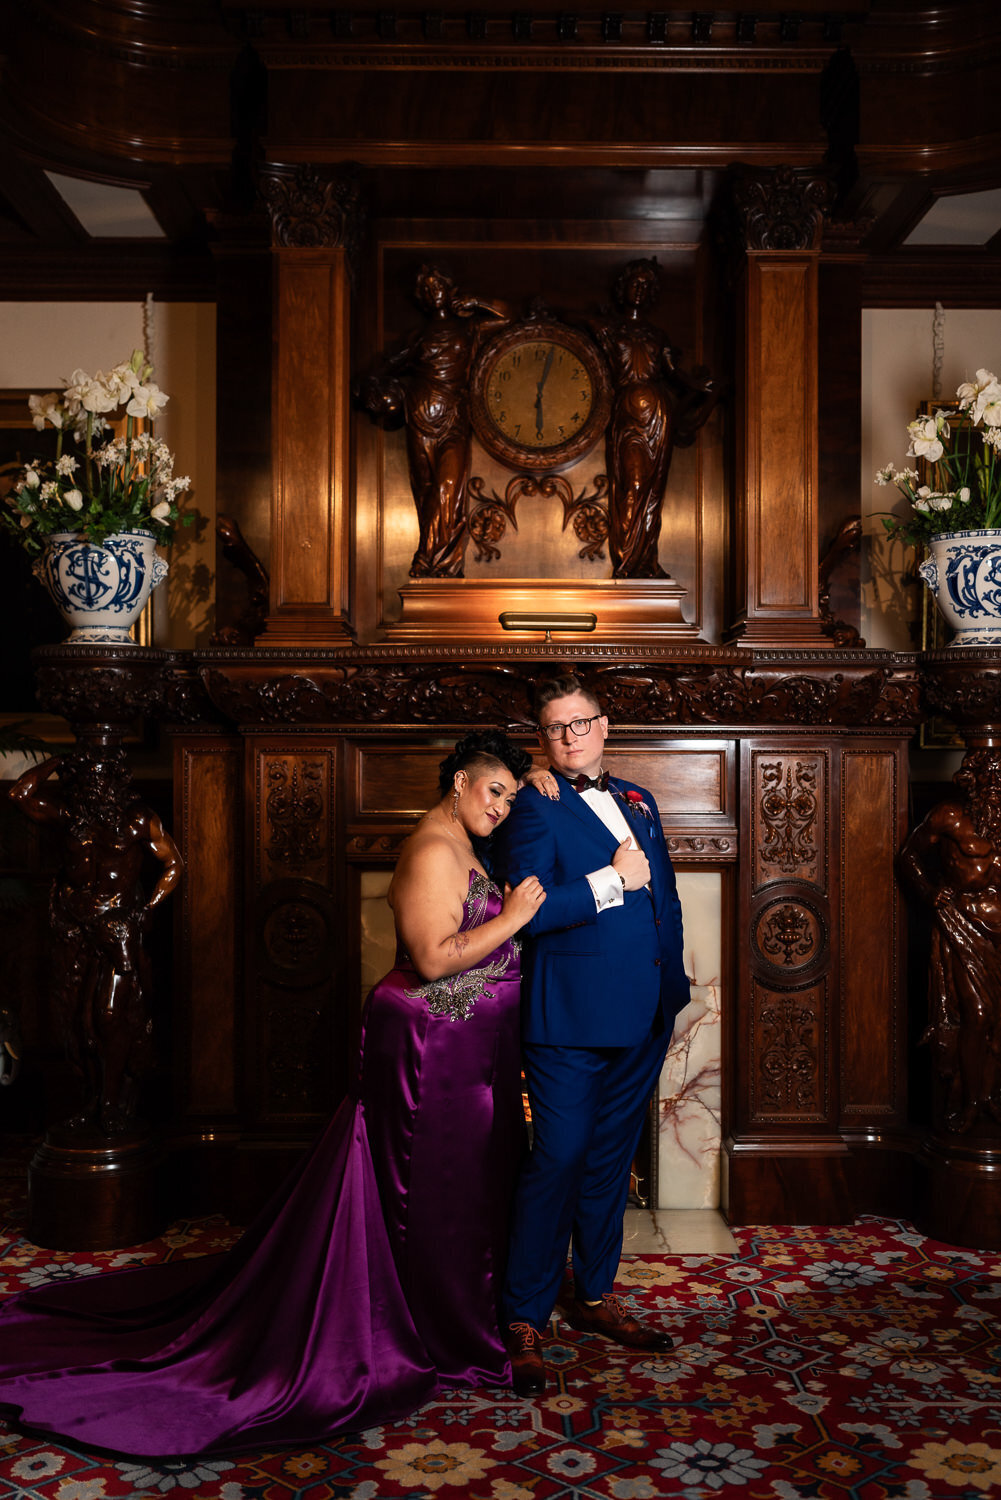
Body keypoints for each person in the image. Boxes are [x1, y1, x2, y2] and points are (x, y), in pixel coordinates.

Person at [0, 731, 545, 1457]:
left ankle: (437, 1319)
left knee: (456, 1191)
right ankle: (412, 1330)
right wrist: (512, 919)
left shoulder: (461, 838)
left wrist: (539, 782)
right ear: (456, 782)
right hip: (427, 1050)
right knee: (424, 1190)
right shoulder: (431, 850)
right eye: (492, 789)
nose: (501, 806)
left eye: (510, 794)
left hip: (461, 1056)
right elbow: (432, 958)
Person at [497, 674, 691, 1394]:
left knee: (610, 1160)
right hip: (569, 1019)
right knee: (558, 1157)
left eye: (581, 723)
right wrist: (610, 881)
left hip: (644, 1011)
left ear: (604, 726)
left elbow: (663, 896)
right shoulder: (533, 806)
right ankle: (522, 1313)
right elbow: (527, 912)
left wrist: (671, 988)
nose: (571, 737)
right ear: (541, 740)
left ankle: (594, 1296)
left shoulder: (640, 799)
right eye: (555, 728)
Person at [8, 751, 183, 1134]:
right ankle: (93, 1099)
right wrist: (55, 760)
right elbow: (20, 795)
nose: (95, 786)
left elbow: (174, 864)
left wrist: (146, 909)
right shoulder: (71, 817)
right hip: (73, 924)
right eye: (88, 779)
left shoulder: (137, 820)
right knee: (77, 1021)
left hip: (118, 927)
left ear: (118, 784)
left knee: (108, 1015)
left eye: (102, 779)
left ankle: (113, 1104)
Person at [356, 264, 506, 578]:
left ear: (449, 290)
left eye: (438, 286)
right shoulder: (417, 337)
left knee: (448, 487)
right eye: (427, 289)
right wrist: (383, 396)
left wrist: (475, 301)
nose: (433, 292)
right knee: (425, 490)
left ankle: (438, 559)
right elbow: (382, 371)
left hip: (454, 419)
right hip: (420, 417)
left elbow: (505, 317)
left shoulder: (468, 329)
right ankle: (430, 561)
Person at [583, 258, 718, 578]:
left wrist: (700, 386)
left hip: (659, 414)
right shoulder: (611, 329)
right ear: (622, 289)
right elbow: (568, 318)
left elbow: (674, 373)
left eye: (647, 285)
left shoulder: (657, 336)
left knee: (654, 492)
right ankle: (627, 560)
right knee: (634, 484)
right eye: (635, 283)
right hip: (627, 411)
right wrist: (595, 321)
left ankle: (646, 561)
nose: (640, 290)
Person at [897, 749, 1001, 1134]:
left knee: (998, 1021)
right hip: (962, 926)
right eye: (992, 782)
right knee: (975, 1015)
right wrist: (928, 892)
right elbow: (908, 855)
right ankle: (970, 1102)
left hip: (999, 933)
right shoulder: (950, 816)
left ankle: (990, 1097)